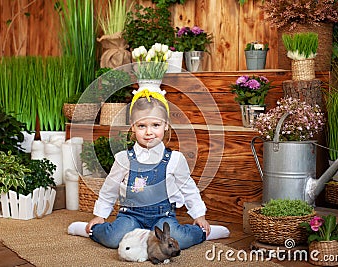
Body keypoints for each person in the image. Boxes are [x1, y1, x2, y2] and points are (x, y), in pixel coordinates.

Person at [68, 87, 230, 249]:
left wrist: (199, 215)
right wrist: (100, 216)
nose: (149, 132)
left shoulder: (175, 159)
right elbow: (109, 189)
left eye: (155, 125)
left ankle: (201, 232)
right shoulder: (124, 158)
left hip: (163, 216)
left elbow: (189, 189)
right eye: (142, 126)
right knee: (113, 238)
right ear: (132, 127)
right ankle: (91, 230)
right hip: (131, 216)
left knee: (177, 239)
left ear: (166, 125)